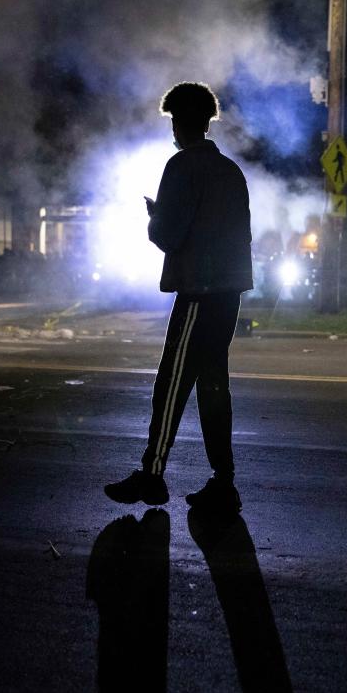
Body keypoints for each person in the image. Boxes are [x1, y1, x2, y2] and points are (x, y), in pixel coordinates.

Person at [105, 82, 253, 512]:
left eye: (173, 120)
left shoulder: (182, 166)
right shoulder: (230, 171)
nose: (172, 129)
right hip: (228, 295)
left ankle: (152, 476)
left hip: (198, 294)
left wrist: (155, 218)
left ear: (181, 122)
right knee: (213, 388)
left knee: (171, 384)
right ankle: (223, 482)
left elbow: (170, 235)